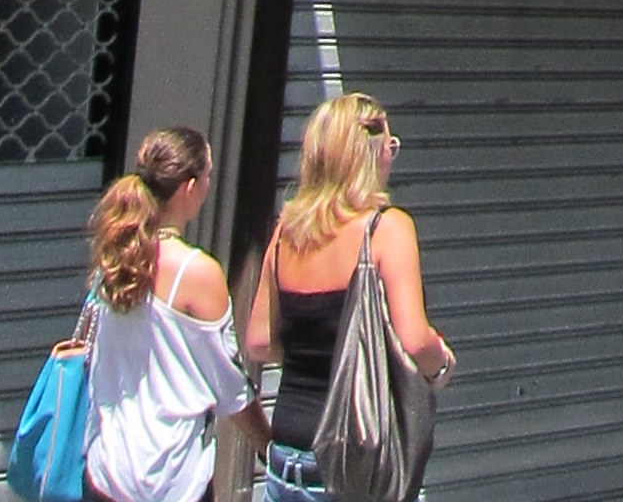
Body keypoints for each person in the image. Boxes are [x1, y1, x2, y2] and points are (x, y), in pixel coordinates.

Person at [243, 92, 456, 502]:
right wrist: (441, 364)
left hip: (286, 457)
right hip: (352, 461)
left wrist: (312, 349)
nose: (391, 157)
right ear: (369, 154)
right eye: (390, 146)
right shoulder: (386, 229)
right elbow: (415, 340)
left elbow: (259, 341)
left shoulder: (287, 231)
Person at [83, 127, 268, 502]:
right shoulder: (198, 272)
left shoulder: (115, 260)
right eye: (208, 175)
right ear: (190, 187)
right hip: (173, 479)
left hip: (108, 473)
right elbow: (230, 386)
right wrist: (270, 445)